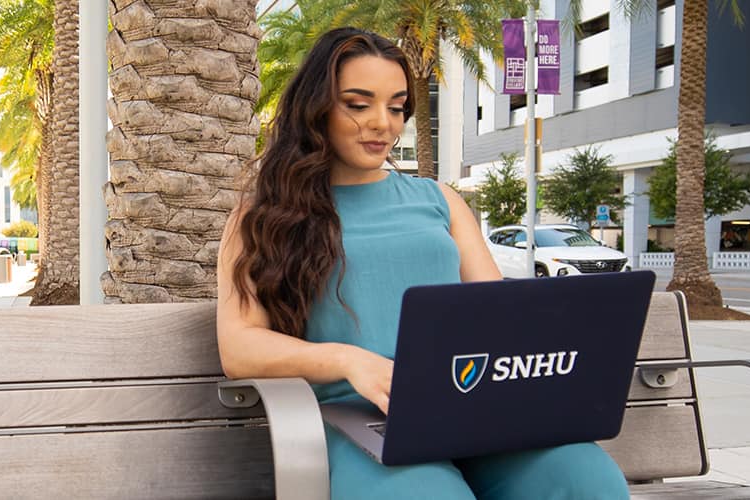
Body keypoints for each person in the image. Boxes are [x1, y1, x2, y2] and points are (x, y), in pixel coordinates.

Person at [215, 27, 630, 499]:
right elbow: (239, 348)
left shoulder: (441, 200)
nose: (383, 124)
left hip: (472, 407)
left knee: (587, 480)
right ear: (317, 108)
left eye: (396, 107)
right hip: (356, 421)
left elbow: (496, 314)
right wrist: (350, 361)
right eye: (357, 103)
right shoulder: (262, 217)